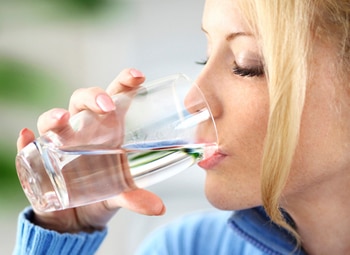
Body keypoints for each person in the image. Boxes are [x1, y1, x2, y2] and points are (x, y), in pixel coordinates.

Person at [13, 0, 350, 254]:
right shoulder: (187, 247)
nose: (193, 100)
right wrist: (66, 233)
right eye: (204, 57)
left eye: (248, 65)